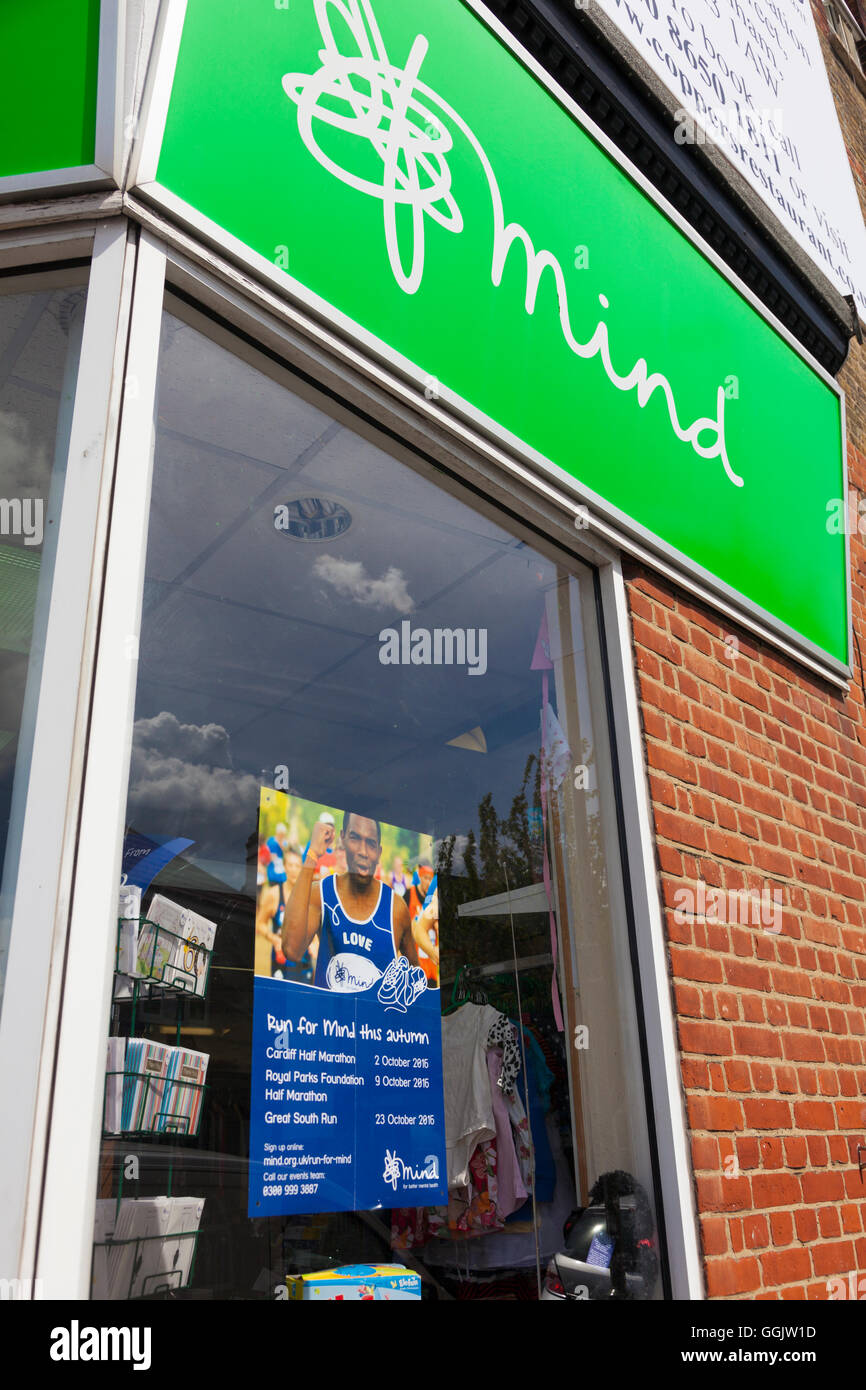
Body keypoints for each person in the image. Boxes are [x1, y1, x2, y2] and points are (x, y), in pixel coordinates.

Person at [282, 812, 420, 992]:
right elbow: (292, 950)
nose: (363, 852)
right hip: (329, 1019)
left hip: (376, 1020)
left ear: (378, 853)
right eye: (355, 838)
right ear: (343, 840)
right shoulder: (322, 894)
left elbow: (417, 981)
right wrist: (312, 854)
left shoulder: (395, 908)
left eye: (371, 843)